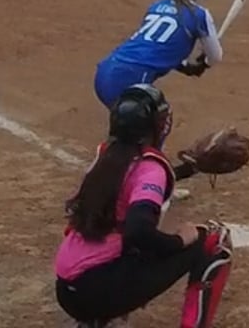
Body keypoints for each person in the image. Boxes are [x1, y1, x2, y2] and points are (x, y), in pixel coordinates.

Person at [53, 84, 233, 328]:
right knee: (214, 240)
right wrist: (180, 240)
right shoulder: (150, 168)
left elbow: (135, 179)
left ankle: (96, 321)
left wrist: (189, 169)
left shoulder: (106, 156)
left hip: (68, 290)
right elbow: (138, 230)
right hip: (97, 290)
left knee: (123, 240)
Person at [93, 0, 225, 108]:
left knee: (126, 119)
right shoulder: (199, 15)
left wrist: (185, 66)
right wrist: (204, 64)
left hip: (106, 70)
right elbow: (216, 56)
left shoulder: (156, 6)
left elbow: (156, 45)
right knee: (156, 116)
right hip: (130, 78)